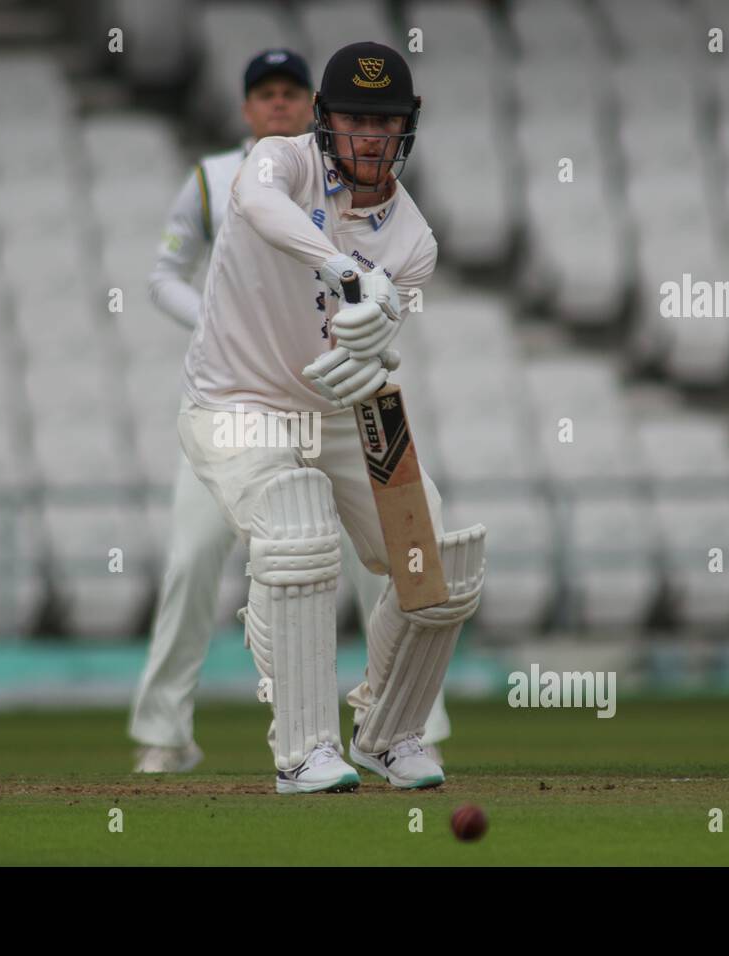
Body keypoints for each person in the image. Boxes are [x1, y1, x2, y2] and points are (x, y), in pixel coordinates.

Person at [130, 48, 453, 774]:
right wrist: (347, 271)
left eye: (386, 121)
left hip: (349, 404)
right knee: (295, 533)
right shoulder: (275, 162)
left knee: (434, 560)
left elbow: (373, 323)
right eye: (355, 119)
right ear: (323, 121)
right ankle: (303, 750)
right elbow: (260, 203)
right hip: (235, 400)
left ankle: (390, 727)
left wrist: (379, 322)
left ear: (406, 128)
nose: (370, 136)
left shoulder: (416, 239)